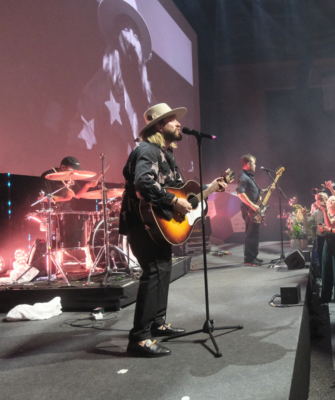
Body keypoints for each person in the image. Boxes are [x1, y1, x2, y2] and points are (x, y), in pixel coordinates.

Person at [119, 103, 227, 357]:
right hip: (144, 223)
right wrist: (171, 201)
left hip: (160, 225)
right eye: (173, 120)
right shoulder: (146, 149)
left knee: (163, 270)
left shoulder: (166, 154)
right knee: (154, 272)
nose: (180, 124)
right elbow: (144, 183)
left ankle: (157, 324)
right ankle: (139, 338)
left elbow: (182, 193)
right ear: (159, 125)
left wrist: (209, 188)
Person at [71, 0, 155, 163]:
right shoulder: (96, 89)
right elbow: (81, 141)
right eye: (126, 29)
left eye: (136, 35)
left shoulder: (150, 101)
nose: (132, 40)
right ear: (115, 38)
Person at [237, 154, 266, 266]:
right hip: (249, 210)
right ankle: (248, 259)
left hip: (254, 210)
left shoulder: (250, 177)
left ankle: (254, 256)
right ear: (248, 164)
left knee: (255, 233)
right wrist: (253, 206)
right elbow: (240, 193)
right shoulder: (243, 176)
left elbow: (253, 191)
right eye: (254, 163)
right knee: (250, 234)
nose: (255, 165)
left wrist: (265, 190)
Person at [318, 196, 335, 304]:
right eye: (329, 200)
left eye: (333, 200)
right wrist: (322, 229)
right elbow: (323, 228)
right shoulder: (326, 215)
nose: (330, 201)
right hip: (327, 243)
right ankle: (326, 296)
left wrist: (328, 229)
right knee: (326, 269)